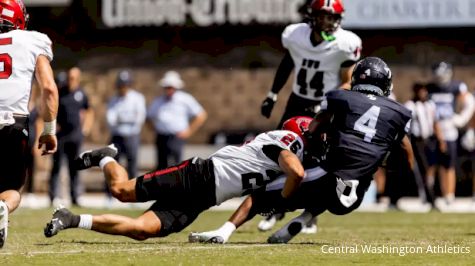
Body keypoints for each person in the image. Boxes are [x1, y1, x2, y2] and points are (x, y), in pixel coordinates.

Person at [189, 57, 414, 244]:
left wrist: (316, 140)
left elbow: (316, 126)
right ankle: (306, 216)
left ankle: (223, 231)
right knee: (349, 178)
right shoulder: (399, 112)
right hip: (355, 195)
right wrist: (400, 170)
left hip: (329, 178)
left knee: (260, 196)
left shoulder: (340, 97)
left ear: (356, 79)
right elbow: (405, 149)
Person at [43, 117, 312, 240]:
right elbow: (296, 172)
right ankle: (106, 156)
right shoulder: (282, 143)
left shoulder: (282, 153)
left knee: (142, 230)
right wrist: (285, 198)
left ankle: (71, 219)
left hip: (204, 198)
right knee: (121, 191)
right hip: (196, 175)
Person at [258, 0, 362, 232]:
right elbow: (287, 64)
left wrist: (329, 105)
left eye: (331, 17)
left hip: (324, 104)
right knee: (280, 153)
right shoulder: (296, 34)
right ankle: (276, 209)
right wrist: (272, 94)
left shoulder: (346, 43)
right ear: (312, 16)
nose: (327, 21)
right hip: (297, 101)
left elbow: (347, 81)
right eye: (323, 16)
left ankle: (311, 215)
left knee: (315, 160)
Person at [0, 0, 58, 248]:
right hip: (14, 122)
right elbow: (48, 88)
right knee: (12, 188)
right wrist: (49, 130)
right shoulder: (34, 40)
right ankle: (2, 207)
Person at [426, 62, 475, 209]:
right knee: (432, 165)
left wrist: (461, 119)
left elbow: (470, 103)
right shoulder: (429, 88)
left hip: (449, 129)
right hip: (432, 130)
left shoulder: (456, 86)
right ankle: (432, 196)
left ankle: (449, 196)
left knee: (449, 165)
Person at [48, 67, 93, 207]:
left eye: (73, 78)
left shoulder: (81, 94)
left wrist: (85, 129)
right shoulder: (61, 92)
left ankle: (75, 197)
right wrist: (52, 126)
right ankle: (53, 196)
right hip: (61, 136)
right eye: (69, 77)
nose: (70, 80)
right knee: (56, 166)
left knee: (74, 168)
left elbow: (89, 111)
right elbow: (51, 108)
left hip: (75, 137)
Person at [147, 71, 207, 170]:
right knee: (161, 166)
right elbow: (148, 116)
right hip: (162, 137)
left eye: (171, 87)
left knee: (177, 166)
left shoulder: (185, 99)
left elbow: (201, 115)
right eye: (167, 87)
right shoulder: (158, 100)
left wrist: (189, 131)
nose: (168, 89)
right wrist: (154, 129)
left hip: (176, 137)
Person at [404, 83, 445, 205]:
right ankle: (428, 196)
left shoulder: (430, 104)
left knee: (432, 167)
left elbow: (435, 122)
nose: (423, 94)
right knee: (424, 168)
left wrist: (441, 139)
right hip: (418, 140)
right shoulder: (410, 105)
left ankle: (430, 191)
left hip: (430, 139)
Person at [106, 70, 146, 178]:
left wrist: (122, 119)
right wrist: (127, 119)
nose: (123, 87)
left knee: (132, 165)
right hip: (117, 136)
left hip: (132, 136)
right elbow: (111, 119)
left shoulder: (137, 98)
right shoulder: (113, 99)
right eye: (121, 85)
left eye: (125, 85)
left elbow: (139, 118)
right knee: (113, 164)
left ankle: (132, 190)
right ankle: (111, 192)